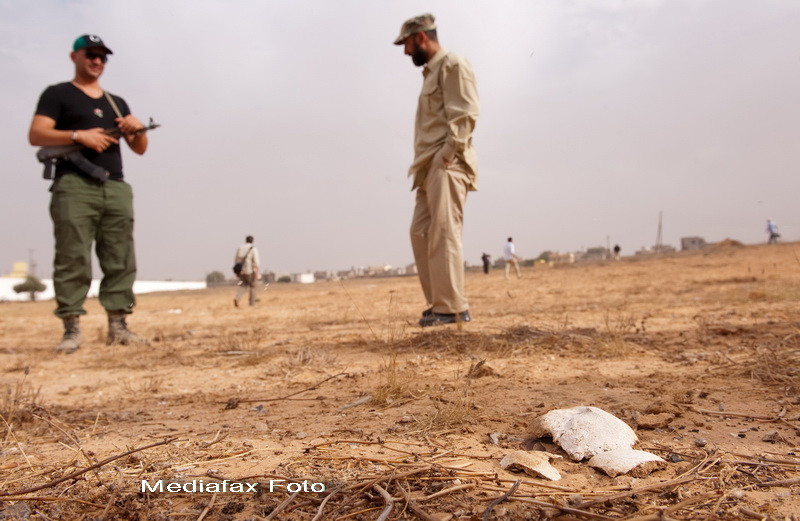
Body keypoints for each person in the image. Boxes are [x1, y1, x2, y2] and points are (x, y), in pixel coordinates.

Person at [29, 34, 150, 354]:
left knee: (121, 257)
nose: (97, 61)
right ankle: (71, 329)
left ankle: (119, 326)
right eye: (91, 55)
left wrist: (136, 129)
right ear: (75, 57)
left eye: (103, 57)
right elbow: (36, 134)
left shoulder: (116, 102)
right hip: (74, 186)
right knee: (72, 257)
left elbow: (139, 149)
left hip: (115, 186)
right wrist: (78, 135)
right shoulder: (57, 94)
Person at [395, 13, 480, 327]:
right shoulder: (430, 74)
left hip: (447, 163)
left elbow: (467, 113)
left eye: (406, 44)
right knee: (421, 232)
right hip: (428, 166)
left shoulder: (452, 65)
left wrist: (447, 155)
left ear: (420, 37)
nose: (405, 52)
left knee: (444, 233)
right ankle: (439, 303)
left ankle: (452, 309)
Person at [233, 236, 261, 307]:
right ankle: (252, 303)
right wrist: (257, 272)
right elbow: (256, 261)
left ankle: (237, 298)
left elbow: (236, 260)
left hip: (241, 271)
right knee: (253, 286)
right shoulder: (253, 249)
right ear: (252, 241)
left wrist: (237, 272)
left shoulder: (240, 248)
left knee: (243, 286)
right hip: (250, 271)